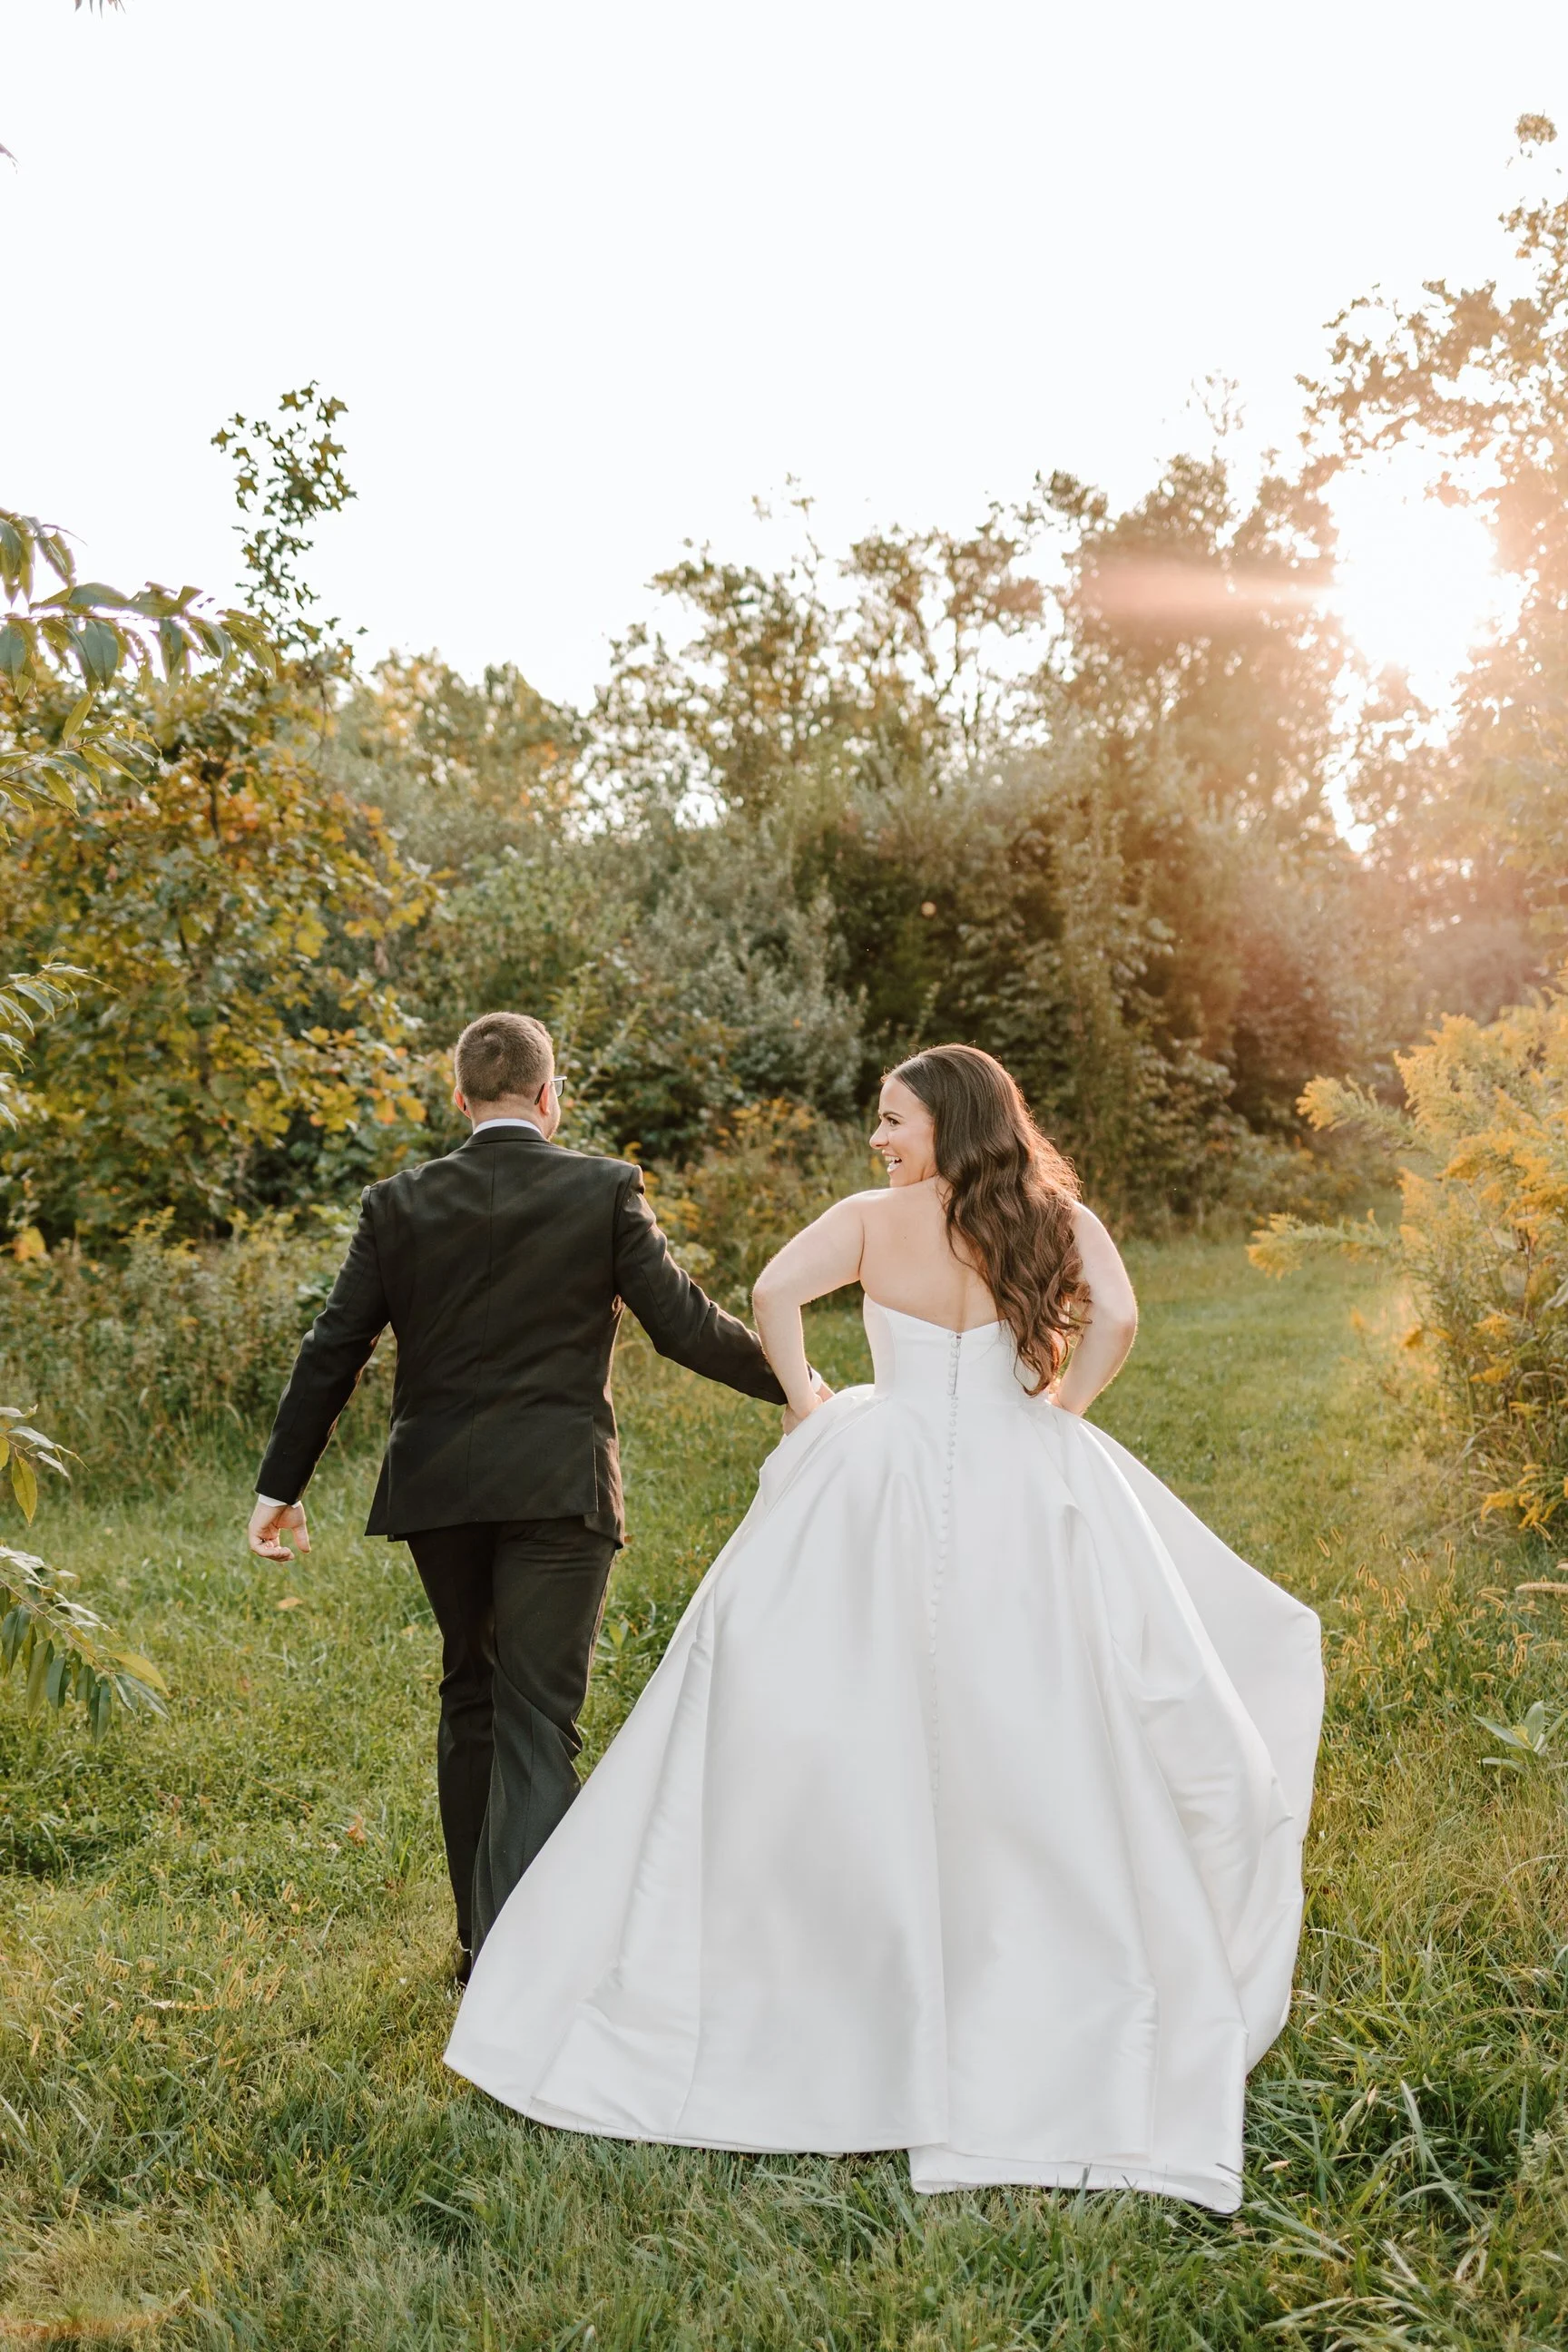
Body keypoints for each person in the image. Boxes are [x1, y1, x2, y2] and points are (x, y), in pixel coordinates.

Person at [446, 1044, 1323, 2212]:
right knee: (1047, 1692)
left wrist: (813, 1403)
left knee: (827, 1694)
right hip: (1024, 1467)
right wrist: (1060, 1410)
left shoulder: (872, 1219)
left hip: (883, 1465)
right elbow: (1114, 1318)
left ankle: (839, 1950)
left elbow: (769, 1296)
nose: (880, 1139)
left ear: (949, 1123)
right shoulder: (1055, 1218)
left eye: (894, 1119)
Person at [246, 1011, 792, 1982]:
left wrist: (278, 1486)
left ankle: (476, 1946)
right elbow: (684, 1325)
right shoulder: (603, 1188)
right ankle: (524, 1972)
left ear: (460, 1100)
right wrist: (798, 1388)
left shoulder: (397, 1203)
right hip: (557, 1487)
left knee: (473, 1698)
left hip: (439, 1490)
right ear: (552, 1096)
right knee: (537, 1717)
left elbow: (334, 1345)